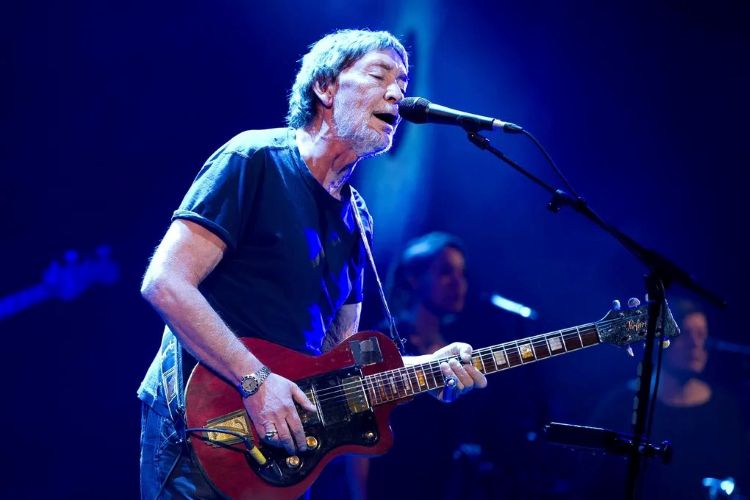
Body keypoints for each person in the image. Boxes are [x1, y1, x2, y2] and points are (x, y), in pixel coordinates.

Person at [136, 29, 487, 499]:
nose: (397, 94)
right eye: (379, 75)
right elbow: (165, 282)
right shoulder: (254, 158)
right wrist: (256, 381)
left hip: (282, 453)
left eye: (403, 84)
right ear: (325, 87)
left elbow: (338, 364)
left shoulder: (358, 218)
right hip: (206, 428)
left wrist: (427, 369)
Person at [583, 298, 749, 499]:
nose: (695, 344)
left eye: (701, 335)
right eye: (685, 334)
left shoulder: (726, 410)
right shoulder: (620, 404)